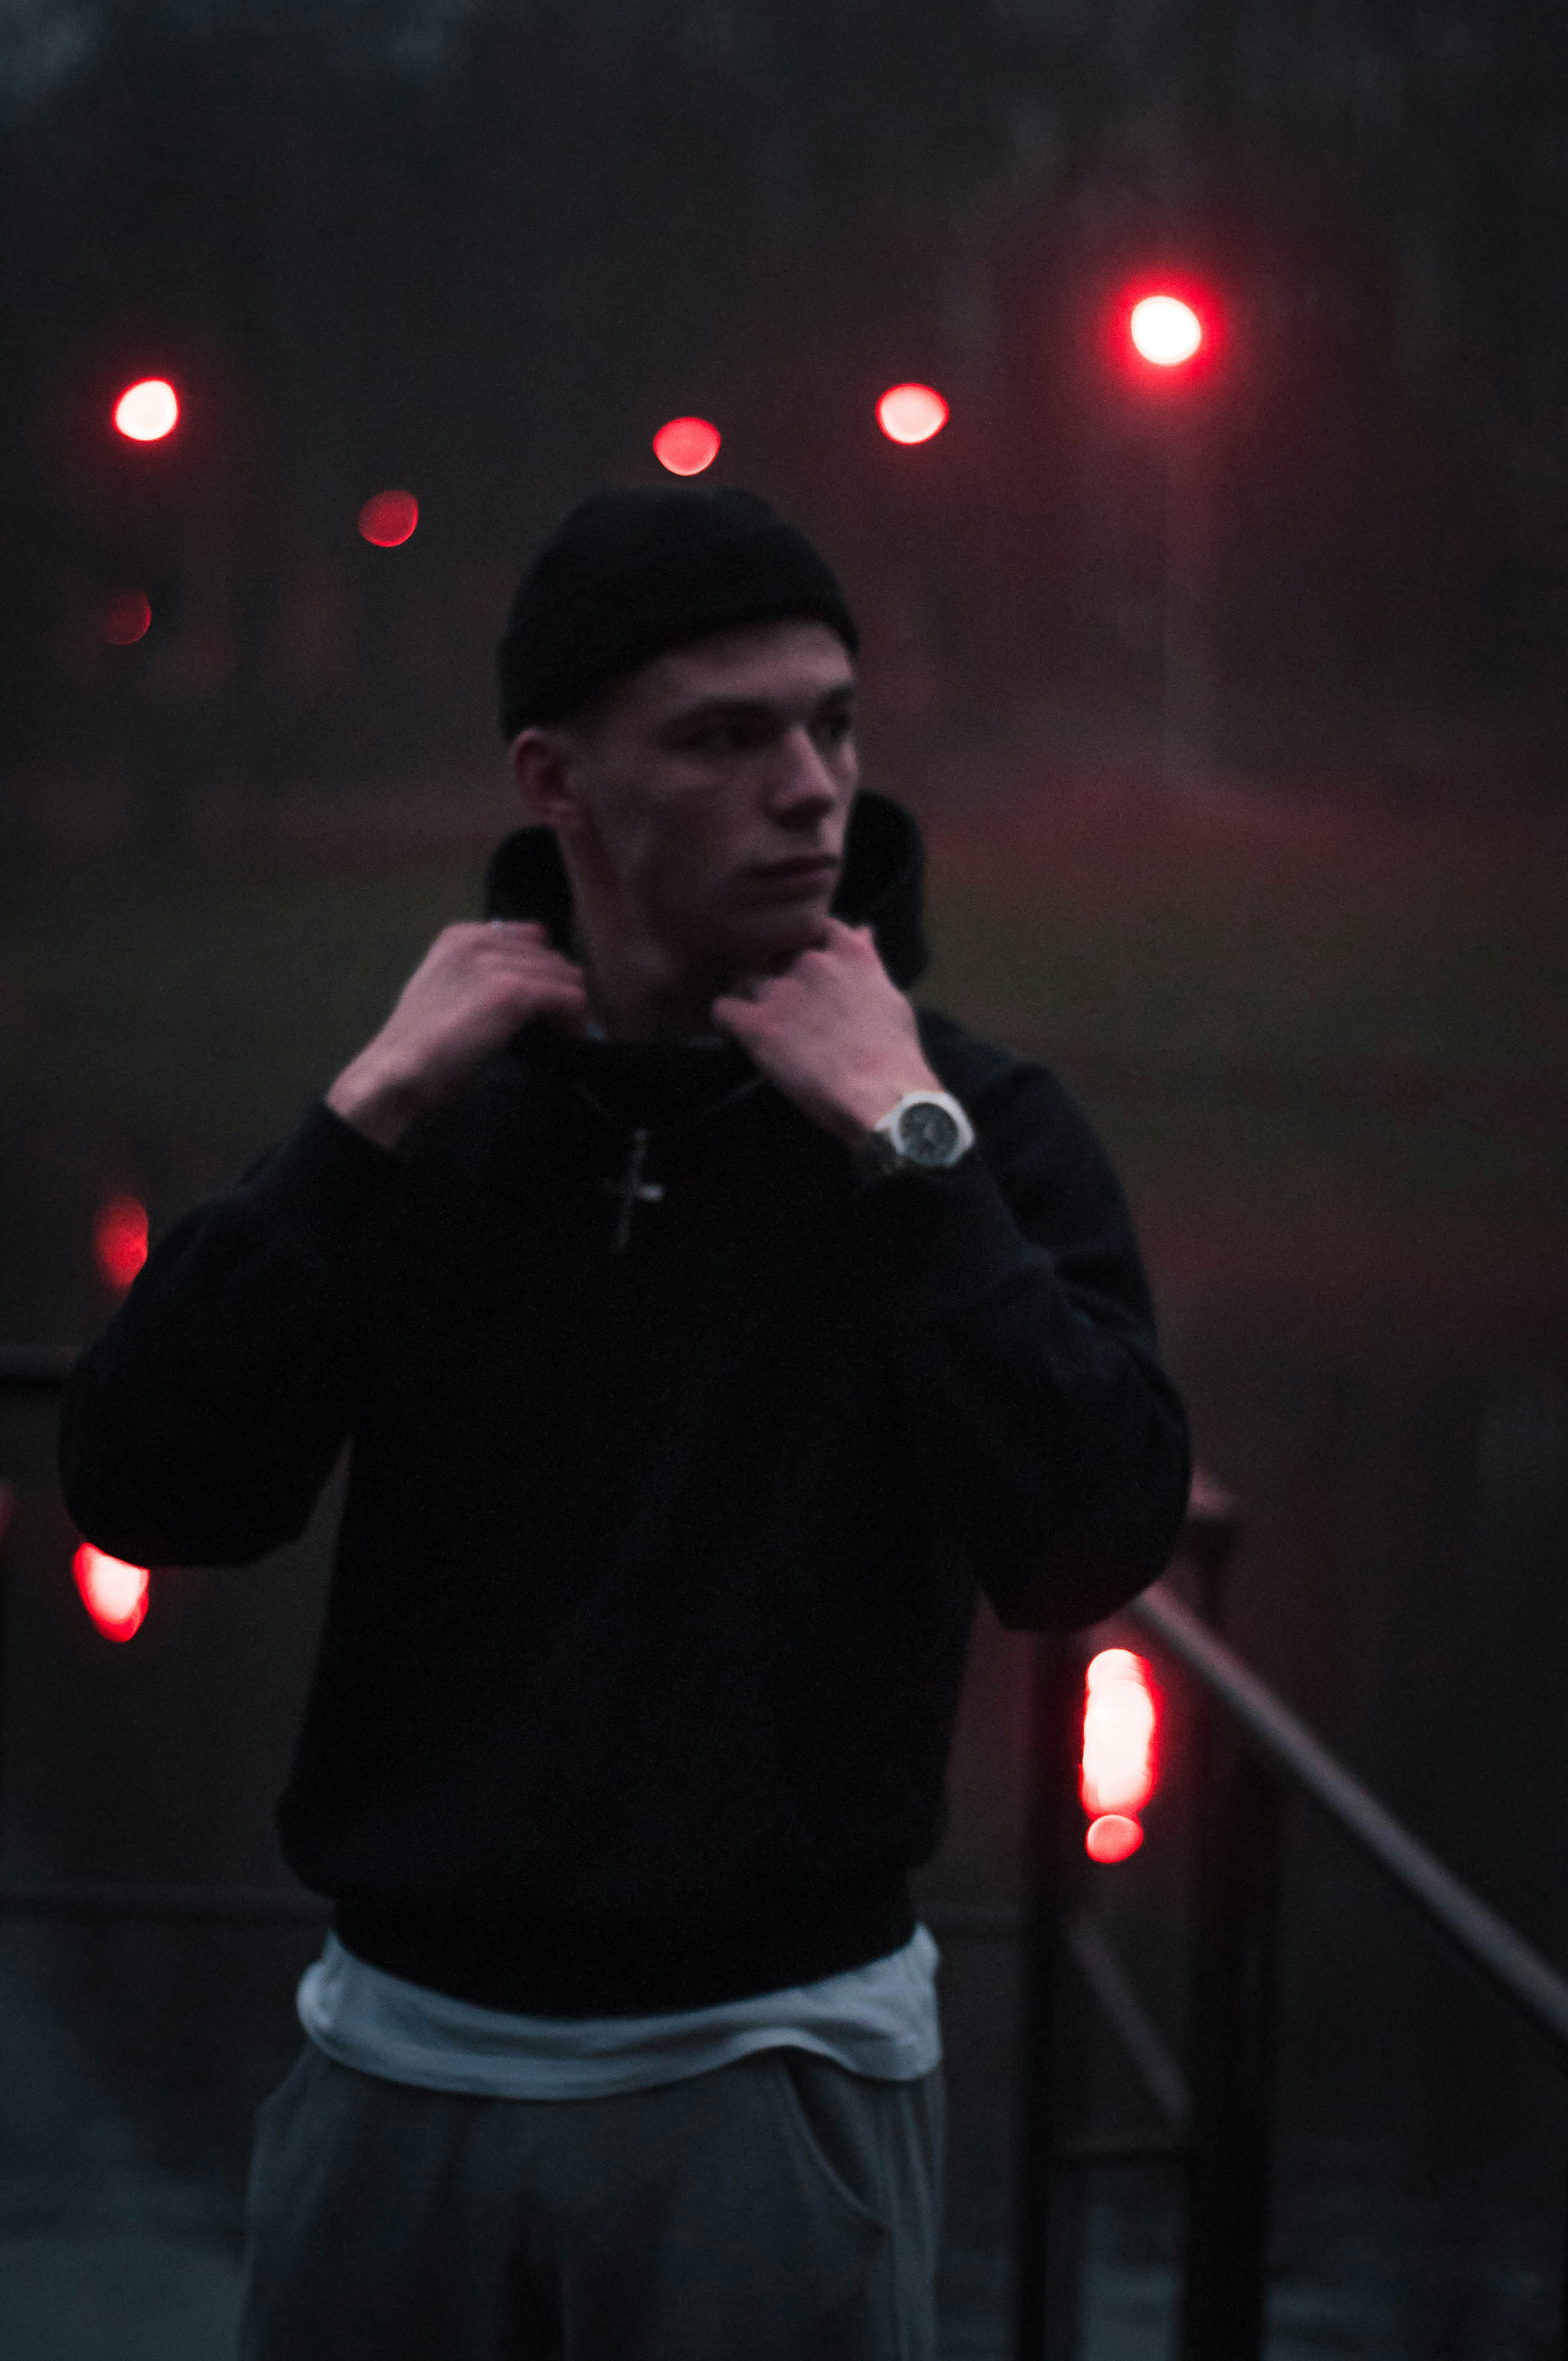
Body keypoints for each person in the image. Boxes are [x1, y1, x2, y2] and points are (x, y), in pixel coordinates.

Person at [59, 486, 1190, 2360]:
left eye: (833, 724)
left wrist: (907, 1148)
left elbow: (1087, 1536)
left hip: (777, 2079)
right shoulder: (435, 1122)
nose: (812, 790)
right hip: (399, 2069)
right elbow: (149, 1485)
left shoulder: (971, 1124)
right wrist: (359, 1121)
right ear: (556, 779)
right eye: (725, 739)